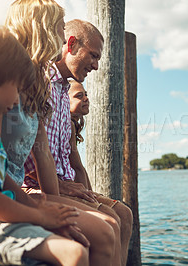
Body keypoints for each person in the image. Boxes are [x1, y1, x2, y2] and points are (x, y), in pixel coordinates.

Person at [1, 1, 120, 265]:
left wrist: (54, 203)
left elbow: (46, 154)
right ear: (40, 29)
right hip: (14, 193)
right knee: (104, 228)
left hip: (19, 191)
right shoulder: (7, 83)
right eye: (57, 29)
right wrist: (46, 208)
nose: (62, 37)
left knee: (112, 220)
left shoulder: (38, 87)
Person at [23, 19, 132, 265]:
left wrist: (86, 192)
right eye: (93, 56)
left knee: (123, 214)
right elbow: (34, 154)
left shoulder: (63, 90)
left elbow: (71, 160)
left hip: (58, 184)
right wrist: (61, 188)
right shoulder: (42, 83)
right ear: (70, 44)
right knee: (109, 223)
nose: (95, 66)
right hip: (35, 187)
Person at [0, 26, 89, 266]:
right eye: (17, 89)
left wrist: (36, 209)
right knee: (75, 254)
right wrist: (39, 215)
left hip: (0, 215)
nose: (18, 100)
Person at [68, 80, 134, 265]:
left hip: (73, 186)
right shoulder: (65, 124)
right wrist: (91, 197)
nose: (86, 99)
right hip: (60, 189)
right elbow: (77, 167)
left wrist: (92, 194)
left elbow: (78, 168)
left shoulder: (71, 124)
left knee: (125, 214)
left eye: (86, 94)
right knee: (114, 217)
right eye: (79, 96)